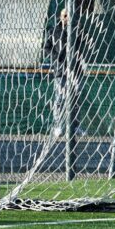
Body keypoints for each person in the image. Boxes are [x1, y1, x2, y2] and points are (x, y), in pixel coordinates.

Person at [43, 8, 86, 137]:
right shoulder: (53, 30)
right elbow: (47, 48)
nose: (67, 18)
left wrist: (77, 28)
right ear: (60, 16)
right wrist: (57, 58)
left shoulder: (76, 30)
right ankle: (59, 126)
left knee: (76, 97)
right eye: (65, 15)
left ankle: (75, 125)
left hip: (75, 69)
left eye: (69, 15)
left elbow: (83, 41)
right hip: (60, 70)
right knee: (60, 98)